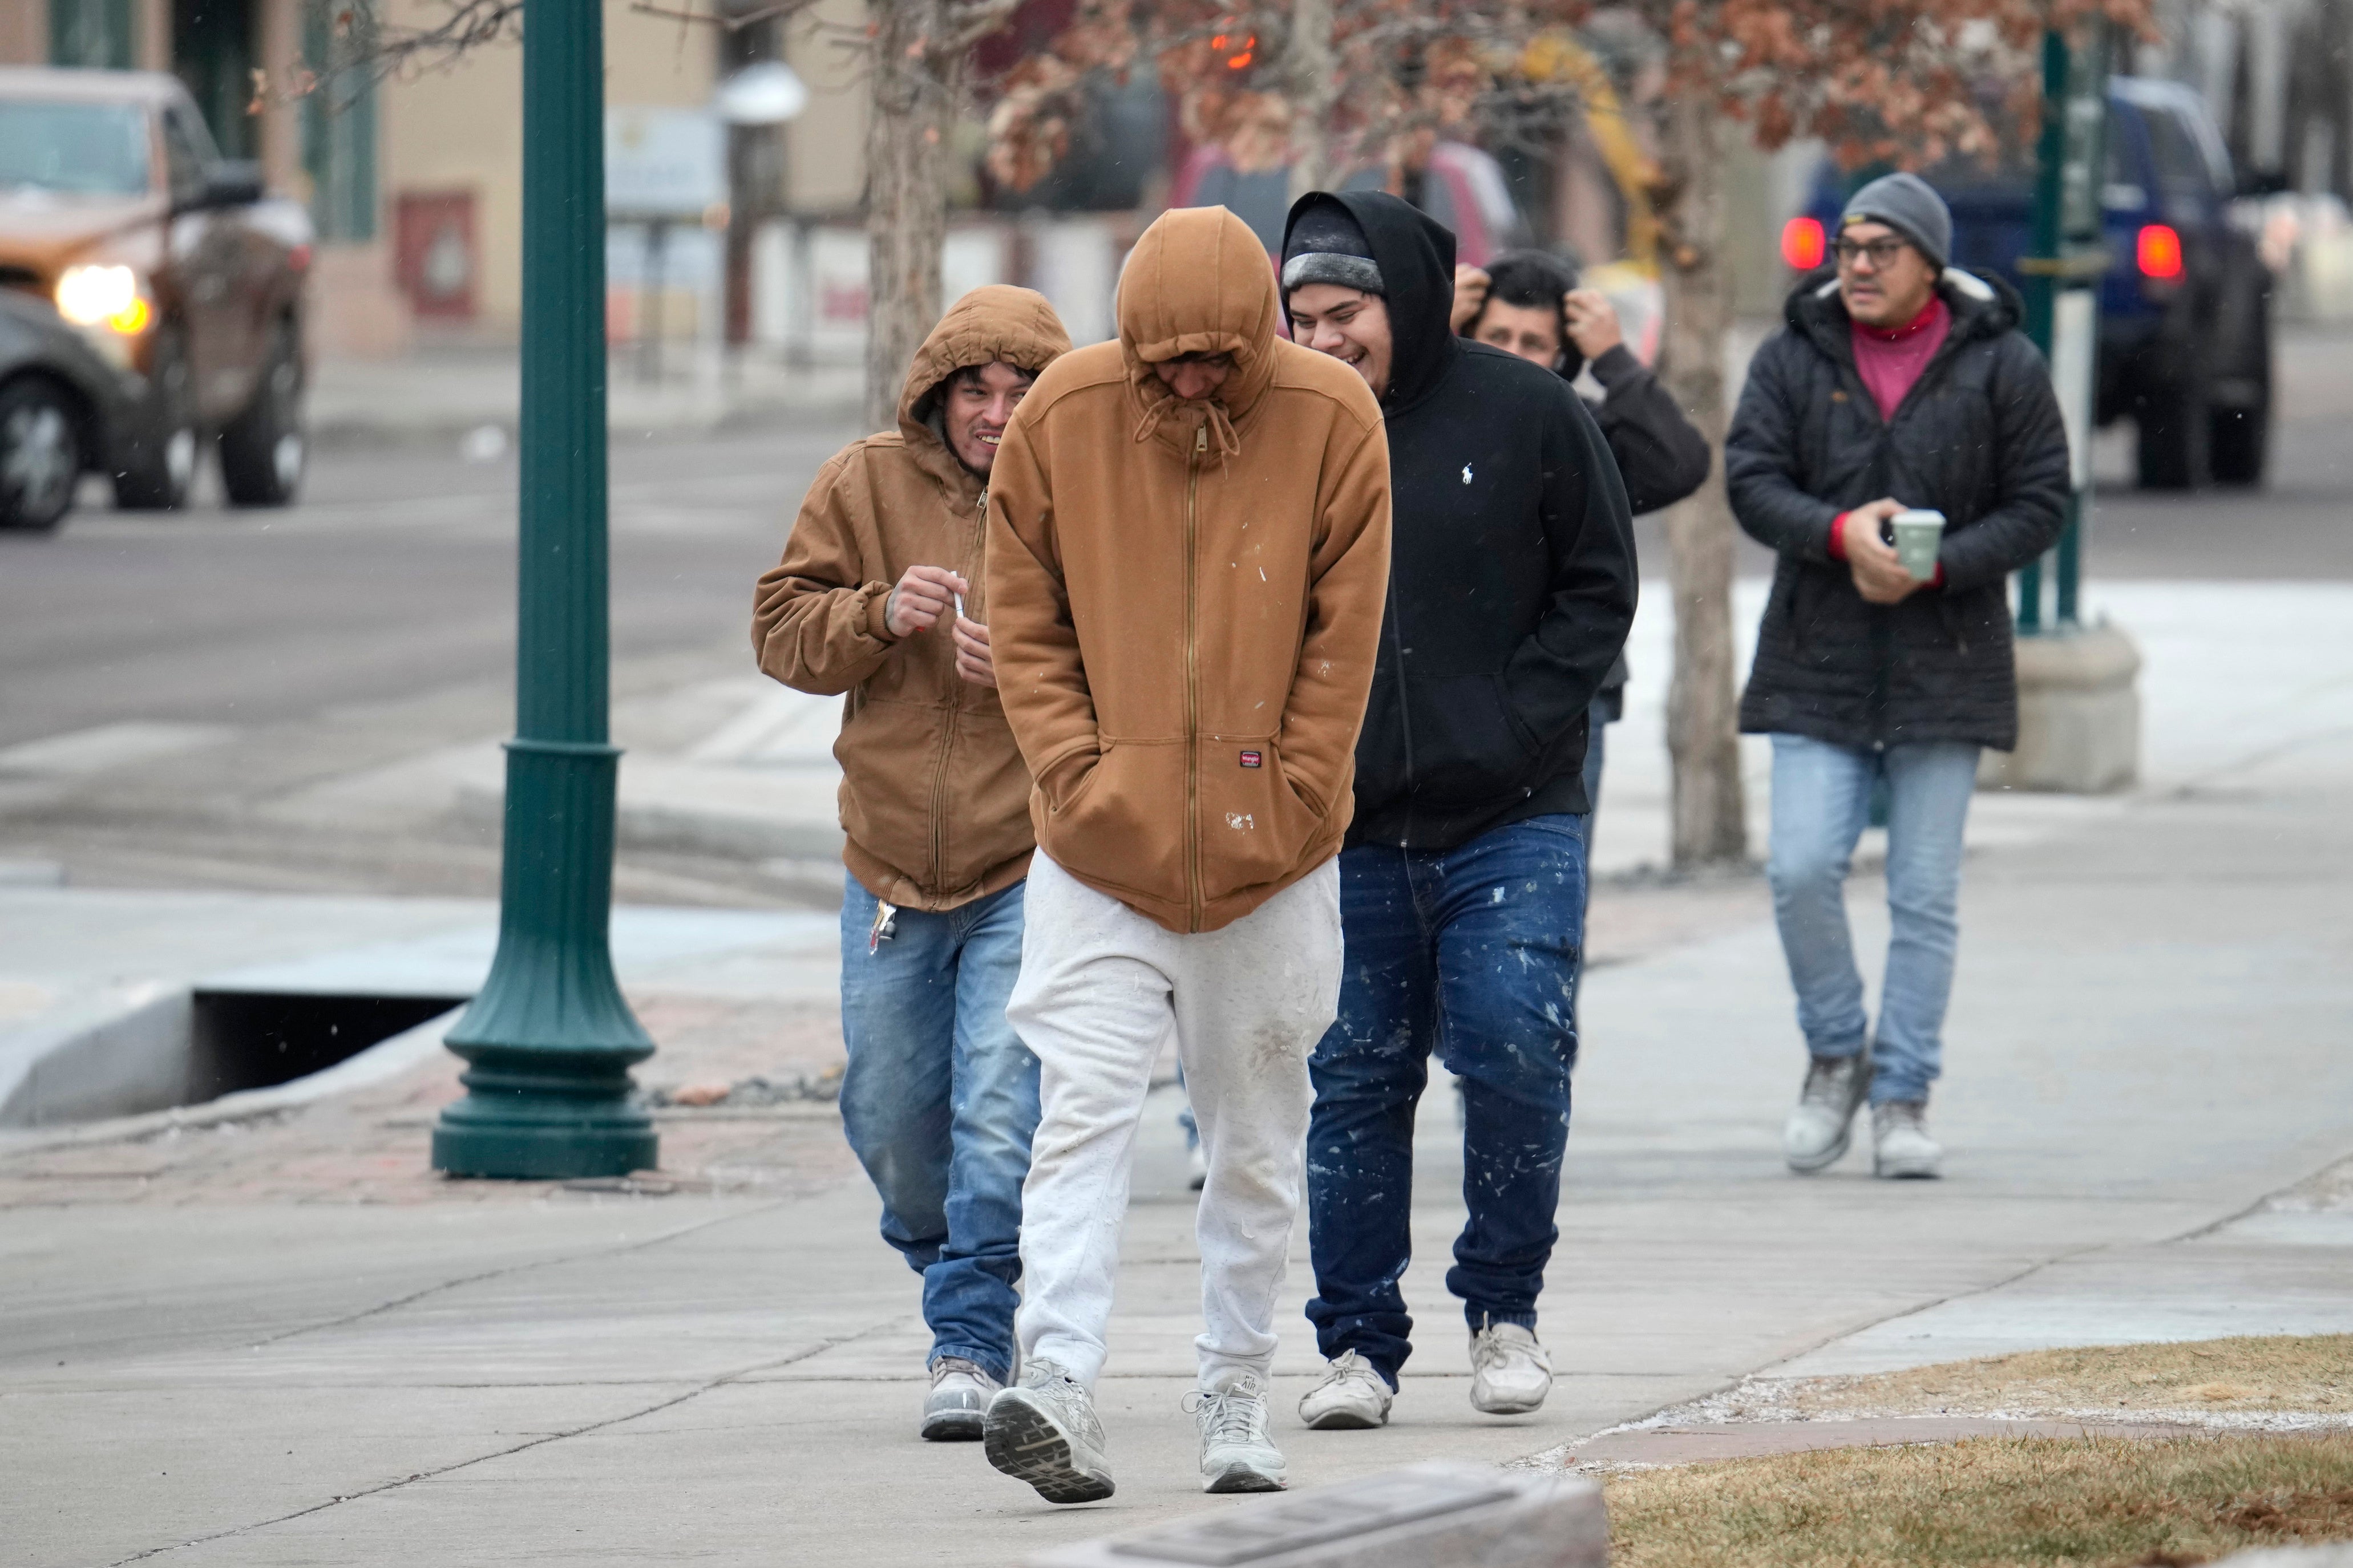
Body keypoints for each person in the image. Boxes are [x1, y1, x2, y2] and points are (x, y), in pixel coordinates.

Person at [979, 204, 1391, 1502]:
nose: (1193, 378)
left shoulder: (1334, 418)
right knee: (1081, 1112)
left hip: (1273, 855)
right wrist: (1076, 775)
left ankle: (1235, 1383)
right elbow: (1024, 613)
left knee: (1257, 1135)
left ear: (1262, 333)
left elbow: (1344, 636)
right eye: (1168, 359)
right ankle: (1055, 1376)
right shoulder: (1063, 413)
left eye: (1219, 356)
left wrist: (1297, 793)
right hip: (1099, 849)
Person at [1280, 193, 1638, 1431]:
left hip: (1514, 811)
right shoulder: (1280, 432)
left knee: (1515, 1047)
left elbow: (1598, 587)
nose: (1324, 341)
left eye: (1348, 315)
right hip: (1348, 826)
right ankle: (1358, 1348)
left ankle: (1504, 1308)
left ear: (1411, 304)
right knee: (1356, 1081)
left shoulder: (1526, 410)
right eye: (1302, 318)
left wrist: (1511, 722)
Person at [751, 285, 1070, 1441]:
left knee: (998, 1103)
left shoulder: (1082, 488)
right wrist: (881, 613)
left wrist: (1030, 670)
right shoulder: (864, 482)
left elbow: (1139, 658)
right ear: (935, 394)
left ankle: (971, 1338)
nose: (997, 412)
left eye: (1023, 388)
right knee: (889, 1112)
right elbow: (779, 628)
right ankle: (961, 1277)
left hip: (1030, 858)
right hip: (886, 863)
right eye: (976, 390)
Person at [1724, 172, 2068, 1180]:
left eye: (1880, 249)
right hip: (1813, 654)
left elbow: (2043, 498)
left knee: (1921, 892)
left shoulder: (2000, 362)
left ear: (1930, 260)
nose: (1858, 266)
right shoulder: (1793, 353)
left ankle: (1903, 1089)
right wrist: (1836, 532)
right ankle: (1836, 1051)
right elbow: (1749, 476)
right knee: (1796, 869)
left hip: (1944, 658)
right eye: (1845, 247)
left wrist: (1940, 563)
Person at [1451, 250, 1710, 823]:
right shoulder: (1434, 420)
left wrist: (1614, 358)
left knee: (1553, 887)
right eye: (1496, 335)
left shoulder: (1581, 434)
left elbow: (1679, 463)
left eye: (1532, 342)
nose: (1512, 355)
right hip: (1446, 683)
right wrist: (1428, 335)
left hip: (1568, 694)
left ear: (1560, 356)